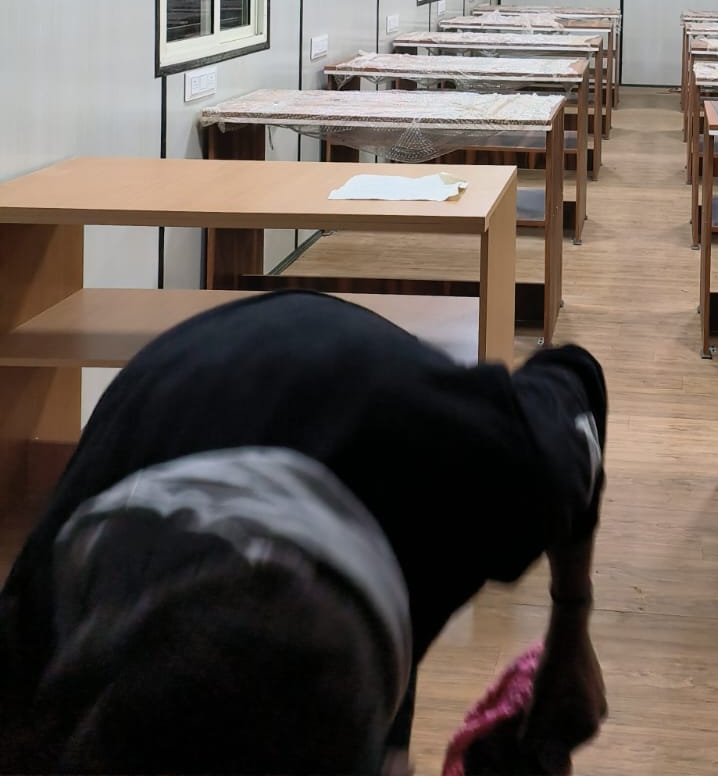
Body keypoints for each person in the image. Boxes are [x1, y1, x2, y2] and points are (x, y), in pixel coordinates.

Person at [0, 292, 608, 775]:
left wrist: (570, 625)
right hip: (173, 401)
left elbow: (575, 375)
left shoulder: (493, 468)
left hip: (347, 378)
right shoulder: (36, 656)